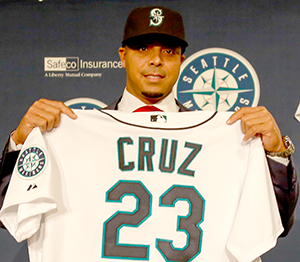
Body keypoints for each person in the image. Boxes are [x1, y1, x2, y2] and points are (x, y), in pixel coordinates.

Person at [0, 7, 297, 234]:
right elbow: (7, 212)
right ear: (122, 55)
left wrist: (275, 154)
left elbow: (276, 223)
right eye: (143, 48)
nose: (156, 60)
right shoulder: (74, 133)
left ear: (181, 61)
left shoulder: (221, 137)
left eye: (168, 51)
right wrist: (22, 143)